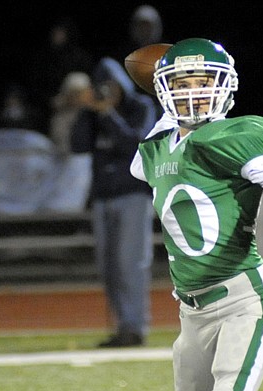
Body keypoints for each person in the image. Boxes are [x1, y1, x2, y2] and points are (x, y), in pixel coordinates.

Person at [129, 38, 263, 391]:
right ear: (163, 89)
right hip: (191, 309)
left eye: (202, 82)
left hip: (242, 298)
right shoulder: (158, 149)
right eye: (182, 83)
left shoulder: (230, 136)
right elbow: (141, 166)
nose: (193, 92)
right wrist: (167, 119)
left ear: (224, 85)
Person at [71, 57, 158, 348]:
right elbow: (77, 145)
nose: (106, 92)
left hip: (132, 196)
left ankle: (136, 327)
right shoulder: (94, 115)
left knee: (129, 263)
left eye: (111, 86)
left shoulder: (140, 108)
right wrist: (86, 111)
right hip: (103, 197)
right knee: (108, 267)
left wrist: (108, 115)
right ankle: (123, 327)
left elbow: (137, 146)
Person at [43, 71, 93, 213]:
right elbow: (58, 140)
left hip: (85, 162)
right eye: (73, 93)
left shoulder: (92, 115)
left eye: (80, 93)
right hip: (62, 161)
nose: (76, 97)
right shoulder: (60, 116)